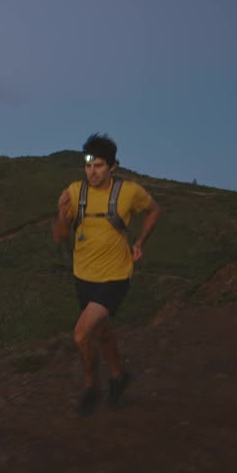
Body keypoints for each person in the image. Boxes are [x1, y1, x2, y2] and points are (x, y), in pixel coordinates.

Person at [52, 134, 161, 416]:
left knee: (80, 335)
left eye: (99, 166)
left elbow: (153, 210)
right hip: (83, 275)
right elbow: (59, 237)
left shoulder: (129, 192)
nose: (92, 172)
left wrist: (140, 242)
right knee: (101, 332)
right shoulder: (76, 192)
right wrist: (62, 214)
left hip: (115, 276)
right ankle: (118, 376)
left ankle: (91, 386)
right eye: (88, 166)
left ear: (113, 166)